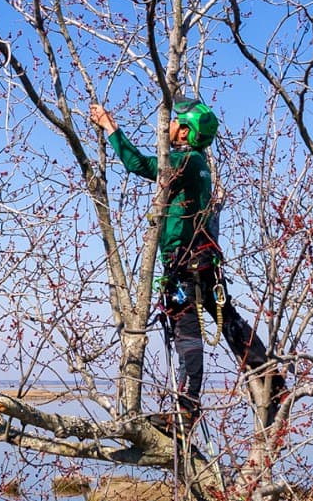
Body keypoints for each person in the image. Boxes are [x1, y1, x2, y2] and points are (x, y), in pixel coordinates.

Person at [91, 98, 273, 424]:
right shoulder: (199, 163)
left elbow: (140, 165)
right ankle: (272, 378)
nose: (169, 125)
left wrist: (111, 128)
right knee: (228, 319)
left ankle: (187, 412)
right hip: (201, 258)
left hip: (184, 262)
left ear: (186, 132)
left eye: (176, 121)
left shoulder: (186, 160)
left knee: (186, 331)